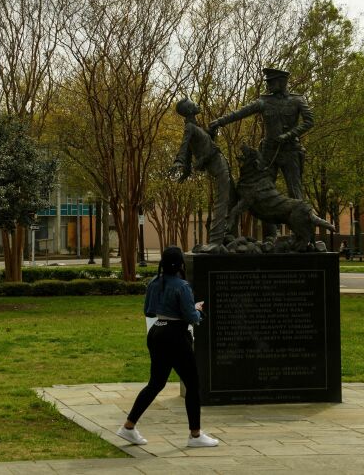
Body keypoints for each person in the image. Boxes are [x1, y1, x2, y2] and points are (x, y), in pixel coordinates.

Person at [117, 246, 219, 448]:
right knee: (192, 384)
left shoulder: (154, 283)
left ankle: (129, 427)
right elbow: (191, 317)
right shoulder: (182, 286)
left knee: (156, 383)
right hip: (176, 335)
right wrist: (197, 310)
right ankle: (195, 435)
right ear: (181, 264)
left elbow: (149, 311)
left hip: (157, 332)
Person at [209, 68, 314, 242]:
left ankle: (302, 236)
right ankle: (271, 236)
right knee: (262, 193)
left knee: (295, 192)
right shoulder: (264, 102)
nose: (268, 85)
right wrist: (220, 122)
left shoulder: (298, 100)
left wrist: (289, 135)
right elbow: (241, 112)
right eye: (268, 82)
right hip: (268, 153)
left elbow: (310, 121)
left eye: (272, 82)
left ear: (282, 82)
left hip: (290, 152)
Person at [171, 97, 233, 247]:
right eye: (193, 103)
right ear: (189, 110)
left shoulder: (196, 127)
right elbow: (184, 147)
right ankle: (216, 241)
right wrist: (179, 162)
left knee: (233, 197)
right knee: (223, 200)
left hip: (219, 162)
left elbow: (197, 147)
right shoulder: (190, 128)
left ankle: (228, 236)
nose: (196, 104)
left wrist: (211, 133)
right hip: (216, 165)